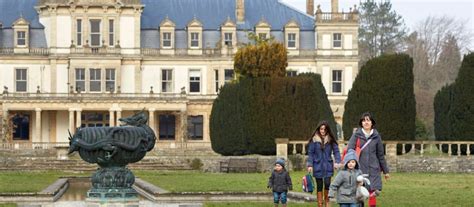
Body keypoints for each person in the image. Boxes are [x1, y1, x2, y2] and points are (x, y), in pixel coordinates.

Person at [346, 112, 390, 207]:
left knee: (373, 192)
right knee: (360, 193)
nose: (366, 122)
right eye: (364, 120)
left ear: (372, 123)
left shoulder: (376, 136)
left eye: (368, 120)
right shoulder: (356, 135)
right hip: (359, 169)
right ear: (361, 123)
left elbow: (380, 155)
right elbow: (350, 151)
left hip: (373, 169)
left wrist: (386, 171)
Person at [307, 121, 341, 207]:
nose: (323, 131)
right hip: (317, 165)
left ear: (327, 130)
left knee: (327, 184)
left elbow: (336, 151)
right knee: (319, 185)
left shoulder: (330, 139)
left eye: (325, 129)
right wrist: (310, 165)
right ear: (318, 129)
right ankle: (320, 203)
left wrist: (337, 161)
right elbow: (310, 153)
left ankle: (327, 201)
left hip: (328, 165)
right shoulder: (314, 140)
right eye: (321, 129)